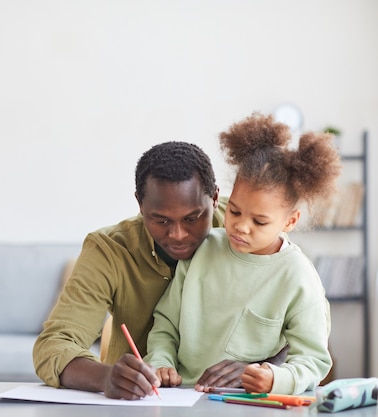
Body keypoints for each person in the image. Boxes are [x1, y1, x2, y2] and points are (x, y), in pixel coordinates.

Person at [34, 141, 284, 400]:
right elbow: (54, 346)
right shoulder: (109, 250)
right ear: (140, 205)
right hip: (139, 403)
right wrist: (106, 377)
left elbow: (301, 324)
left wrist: (260, 370)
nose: (178, 235)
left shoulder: (246, 226)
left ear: (215, 198)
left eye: (192, 218)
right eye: (161, 220)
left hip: (230, 400)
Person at [144, 113, 340, 395]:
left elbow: (313, 360)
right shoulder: (203, 250)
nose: (241, 227)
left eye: (259, 221)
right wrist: (161, 362)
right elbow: (166, 324)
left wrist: (276, 379)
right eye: (234, 210)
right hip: (181, 396)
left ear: (290, 221)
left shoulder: (298, 276)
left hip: (245, 402)